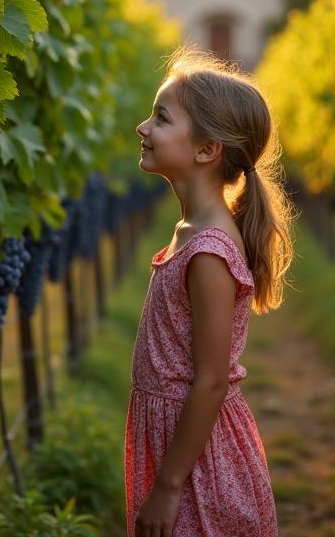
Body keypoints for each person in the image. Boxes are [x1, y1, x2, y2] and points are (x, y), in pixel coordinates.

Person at [124, 43, 296, 537]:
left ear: (206, 150)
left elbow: (212, 380)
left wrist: (169, 485)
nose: (143, 127)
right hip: (174, 439)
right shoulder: (191, 233)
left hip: (196, 460)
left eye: (160, 118)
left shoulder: (209, 252)